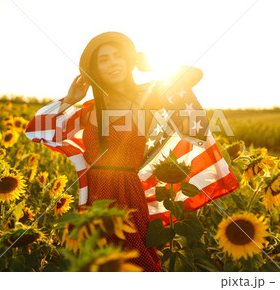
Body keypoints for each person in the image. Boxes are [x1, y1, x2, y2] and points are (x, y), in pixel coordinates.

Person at [25, 32, 239, 272]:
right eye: (103, 59)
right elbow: (37, 129)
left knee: (136, 261)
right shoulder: (89, 109)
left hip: (127, 192)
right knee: (95, 263)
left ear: (129, 62)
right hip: (93, 193)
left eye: (118, 56)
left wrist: (147, 64)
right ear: (94, 70)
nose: (113, 63)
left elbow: (193, 75)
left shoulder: (146, 99)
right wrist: (69, 99)